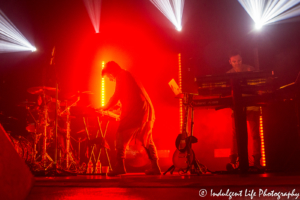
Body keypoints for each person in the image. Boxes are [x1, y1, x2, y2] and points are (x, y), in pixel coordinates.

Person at [100, 61, 161, 176]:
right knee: (147, 140)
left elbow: (116, 95)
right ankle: (156, 167)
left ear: (112, 71)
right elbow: (130, 96)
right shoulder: (128, 75)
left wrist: (104, 107)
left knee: (120, 136)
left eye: (108, 77)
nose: (110, 80)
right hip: (146, 111)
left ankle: (120, 167)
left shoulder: (121, 76)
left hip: (137, 113)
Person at [226, 50, 262, 171]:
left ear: (242, 60)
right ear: (230, 62)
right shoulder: (228, 74)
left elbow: (259, 84)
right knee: (235, 134)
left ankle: (256, 161)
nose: (237, 63)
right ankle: (232, 161)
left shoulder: (250, 69)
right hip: (237, 107)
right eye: (235, 61)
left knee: (255, 134)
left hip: (251, 105)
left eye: (239, 61)